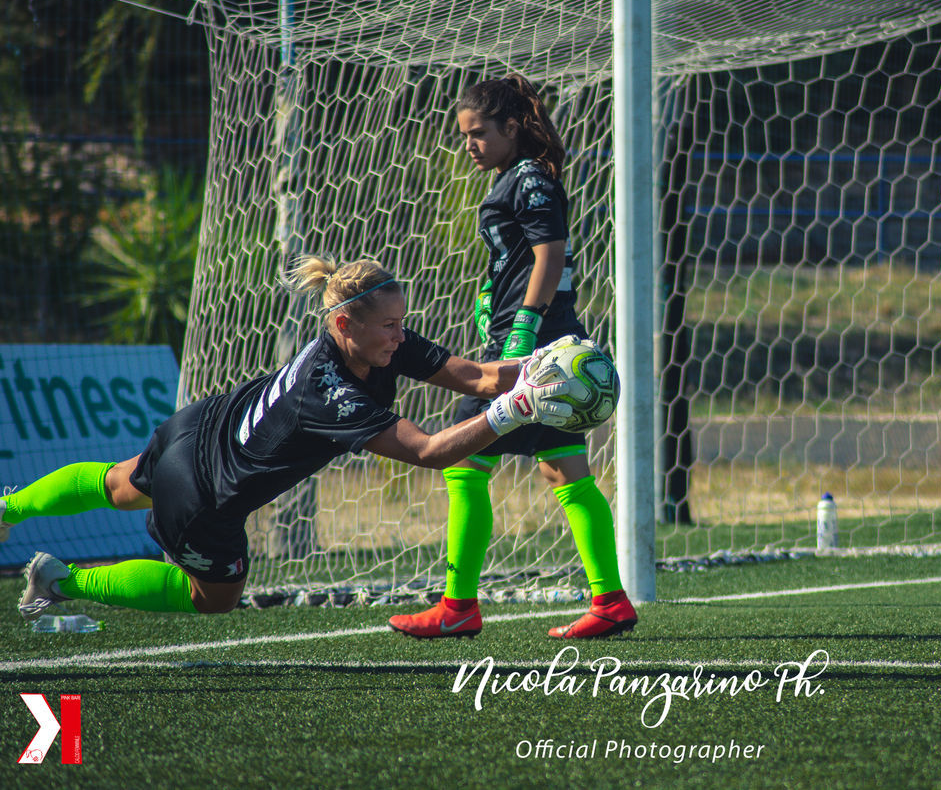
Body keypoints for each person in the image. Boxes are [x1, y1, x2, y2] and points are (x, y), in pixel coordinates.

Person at [1, 255, 574, 618]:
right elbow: (426, 452)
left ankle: (9, 507)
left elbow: (474, 375)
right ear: (345, 325)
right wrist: (514, 411)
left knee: (115, 482)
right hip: (204, 494)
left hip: (199, 426)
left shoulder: (374, 338)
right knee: (215, 598)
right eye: (391, 326)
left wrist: (547, 362)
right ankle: (63, 579)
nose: (402, 336)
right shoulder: (331, 394)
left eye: (403, 322)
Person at [388, 73, 637, 640]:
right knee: (566, 473)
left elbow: (550, 257)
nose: (470, 144)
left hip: (530, 347)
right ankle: (611, 601)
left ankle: (457, 608)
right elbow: (521, 258)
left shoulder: (529, 181)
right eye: (464, 135)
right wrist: (490, 299)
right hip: (530, 341)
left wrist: (522, 327)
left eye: (477, 133)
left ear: (510, 127)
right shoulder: (516, 178)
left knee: (461, 462)